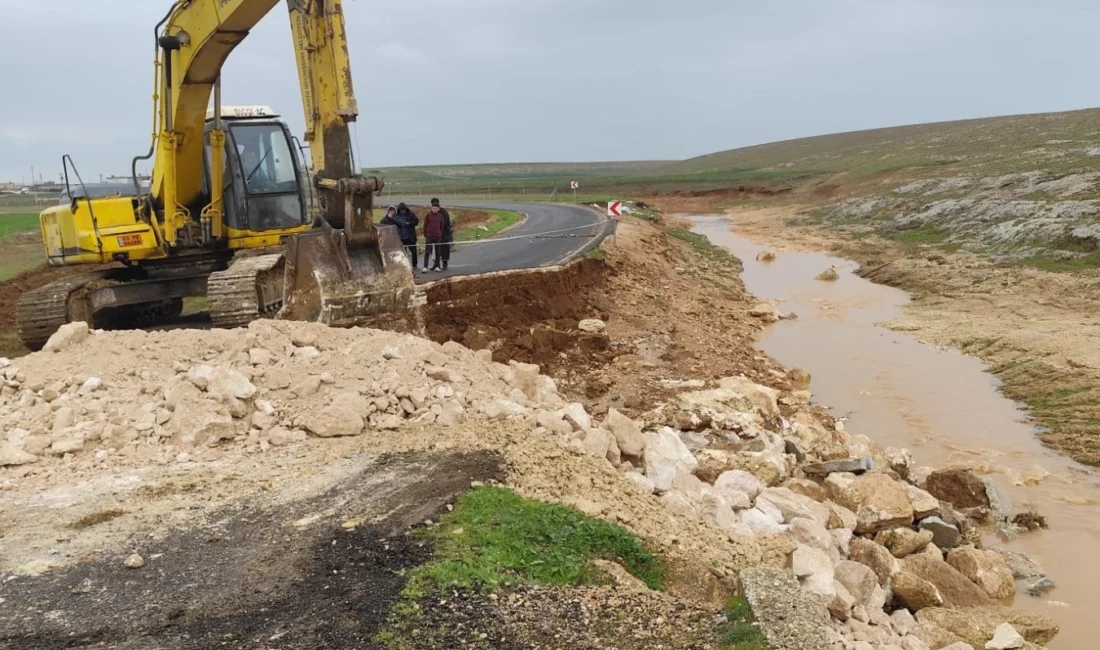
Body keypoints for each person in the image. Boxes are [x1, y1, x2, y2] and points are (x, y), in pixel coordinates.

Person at [422, 199, 446, 272]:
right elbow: (425, 225)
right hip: (429, 236)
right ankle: (425, 267)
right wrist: (426, 234)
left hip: (437, 236)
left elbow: (442, 226)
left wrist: (439, 233)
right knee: (427, 251)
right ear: (431, 208)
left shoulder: (440, 216)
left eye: (436, 208)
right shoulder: (428, 215)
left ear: (438, 209)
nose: (434, 210)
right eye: (433, 208)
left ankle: (437, 266)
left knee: (438, 252)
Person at [393, 203, 419, 269]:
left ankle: (414, 264)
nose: (402, 211)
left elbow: (416, 221)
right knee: (402, 253)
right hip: (401, 237)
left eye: (403, 209)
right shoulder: (396, 215)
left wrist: (409, 223)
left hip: (410, 236)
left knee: (413, 251)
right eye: (401, 210)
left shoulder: (411, 214)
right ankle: (403, 265)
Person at [431, 197, 454, 271]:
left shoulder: (444, 212)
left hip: (444, 234)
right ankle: (436, 264)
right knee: (435, 249)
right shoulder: (432, 213)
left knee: (444, 249)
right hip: (435, 234)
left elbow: (444, 223)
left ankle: (445, 264)